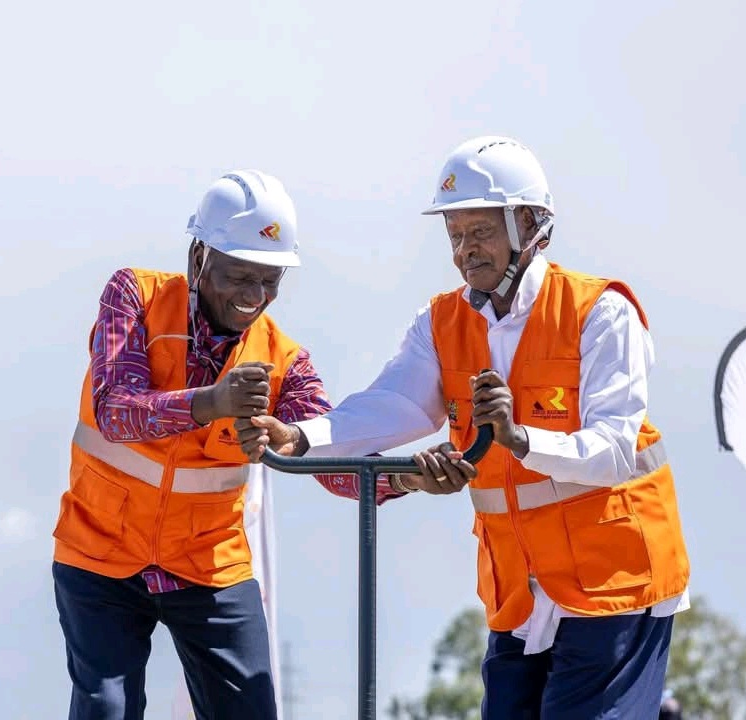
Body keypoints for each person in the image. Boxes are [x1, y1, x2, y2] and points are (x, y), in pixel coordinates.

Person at [238, 138, 692, 718]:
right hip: (522, 594)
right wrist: (302, 437)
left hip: (615, 582)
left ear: (529, 224)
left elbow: (611, 452)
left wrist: (520, 438)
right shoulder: (441, 321)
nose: (464, 251)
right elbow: (391, 404)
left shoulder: (601, 312)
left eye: (479, 231)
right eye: (455, 235)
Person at [50, 170, 439, 720]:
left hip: (209, 566)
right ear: (197, 259)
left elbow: (326, 460)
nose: (254, 298)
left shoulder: (285, 361)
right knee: (105, 708)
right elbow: (117, 411)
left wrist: (402, 476)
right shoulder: (133, 295)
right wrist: (213, 402)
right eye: (238, 277)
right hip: (99, 553)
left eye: (270, 281)